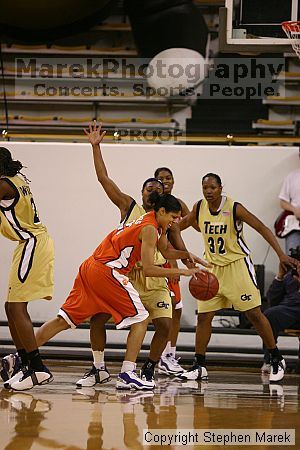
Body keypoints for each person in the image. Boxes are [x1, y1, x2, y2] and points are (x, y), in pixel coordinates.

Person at [74, 122, 206, 389]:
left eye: (158, 188)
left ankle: (147, 368)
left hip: (157, 277)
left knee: (164, 327)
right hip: (126, 277)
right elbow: (104, 179)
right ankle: (98, 368)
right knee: (98, 318)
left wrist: (189, 263)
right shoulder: (128, 206)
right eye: (149, 188)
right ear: (142, 192)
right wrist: (96, 147)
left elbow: (175, 245)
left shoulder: (165, 219)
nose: (153, 191)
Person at [177, 173, 299, 383]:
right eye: (205, 187)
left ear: (220, 188)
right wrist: (179, 252)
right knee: (204, 317)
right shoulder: (199, 208)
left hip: (237, 267)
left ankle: (276, 358)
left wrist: (280, 254)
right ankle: (199, 365)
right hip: (212, 268)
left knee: (254, 315)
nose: (208, 191)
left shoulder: (234, 208)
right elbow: (177, 228)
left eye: (212, 187)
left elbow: (262, 228)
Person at [0, 147, 54, 390]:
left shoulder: (4, 185)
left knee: (17, 306)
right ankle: (24, 363)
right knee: (10, 307)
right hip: (27, 243)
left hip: (33, 243)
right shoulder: (14, 179)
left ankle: (37, 367)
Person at [154, 167, 195, 376]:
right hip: (157, 262)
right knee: (164, 312)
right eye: (161, 178)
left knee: (176, 309)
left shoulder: (177, 205)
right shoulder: (154, 206)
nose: (165, 181)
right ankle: (159, 357)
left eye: (168, 177)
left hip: (172, 261)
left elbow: (190, 223)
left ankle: (168, 355)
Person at [262, 252, 300, 374]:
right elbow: (272, 300)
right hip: (289, 310)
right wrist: (280, 276)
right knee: (269, 314)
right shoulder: (289, 276)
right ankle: (270, 360)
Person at [279, 164, 300, 253]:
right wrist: (295, 210)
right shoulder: (292, 177)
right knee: (292, 260)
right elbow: (282, 202)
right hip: (295, 227)